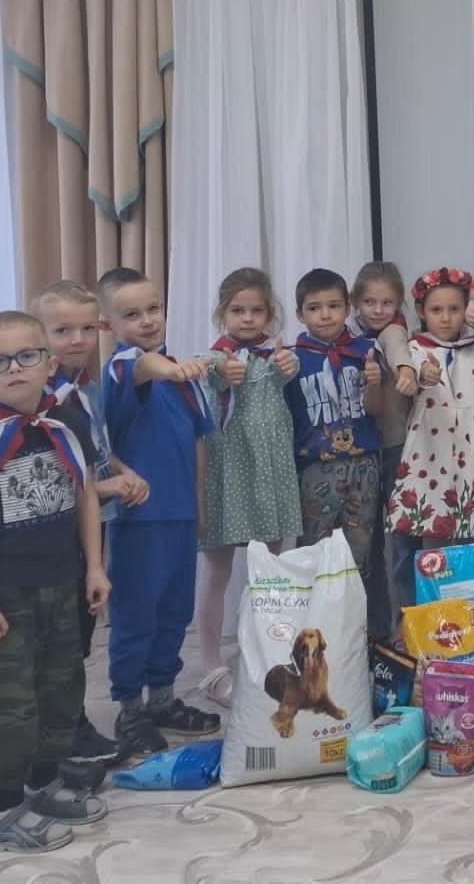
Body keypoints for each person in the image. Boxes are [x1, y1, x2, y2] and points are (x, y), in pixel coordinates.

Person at [0, 311, 111, 851]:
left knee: (61, 691)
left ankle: (43, 782)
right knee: (11, 706)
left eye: (26, 356)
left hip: (64, 586)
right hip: (8, 597)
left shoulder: (67, 425)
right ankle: (2, 807)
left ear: (49, 363)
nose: (14, 368)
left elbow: (86, 497)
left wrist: (94, 567)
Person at [97, 268, 220, 756]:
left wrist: (200, 505)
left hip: (180, 514)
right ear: (108, 325)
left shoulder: (181, 379)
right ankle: (130, 710)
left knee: (174, 612)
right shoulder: (125, 366)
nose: (148, 320)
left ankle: (163, 700)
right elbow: (144, 366)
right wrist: (170, 369)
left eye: (154, 308)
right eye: (132, 314)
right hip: (139, 519)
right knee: (136, 615)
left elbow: (198, 443)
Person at [32, 281, 148, 762]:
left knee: (80, 631)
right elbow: (50, 482)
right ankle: (61, 729)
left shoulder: (89, 389)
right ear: (39, 335)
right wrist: (107, 488)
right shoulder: (42, 402)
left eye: (85, 328)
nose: (77, 339)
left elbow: (96, 452)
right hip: (59, 534)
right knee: (60, 637)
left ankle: (70, 721)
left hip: (93, 525)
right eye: (62, 331)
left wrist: (122, 471)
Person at [195, 268, 302, 706]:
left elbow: (290, 374)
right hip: (228, 472)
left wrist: (288, 366)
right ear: (222, 313)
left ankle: (265, 653)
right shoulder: (215, 359)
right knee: (217, 569)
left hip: (269, 471)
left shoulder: (277, 357)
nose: (248, 318)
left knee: (269, 570)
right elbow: (214, 375)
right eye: (238, 310)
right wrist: (223, 370)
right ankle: (210, 665)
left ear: (270, 314)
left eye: (257, 310)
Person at [285, 268, 386, 634]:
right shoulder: (292, 360)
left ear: (347, 309)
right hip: (316, 468)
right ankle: (312, 634)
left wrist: (374, 383)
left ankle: (353, 636)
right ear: (300, 314)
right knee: (314, 550)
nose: (325, 315)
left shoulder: (365, 351)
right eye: (314, 308)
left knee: (359, 552)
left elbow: (376, 410)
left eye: (333, 306)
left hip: (363, 465)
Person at [389, 267, 474, 551]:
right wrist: (425, 374)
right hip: (429, 446)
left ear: (466, 310)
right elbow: (417, 373)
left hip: (473, 446)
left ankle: (471, 580)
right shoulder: (416, 348)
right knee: (433, 528)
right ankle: (435, 579)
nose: (446, 317)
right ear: (422, 312)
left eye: (454, 309)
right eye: (436, 310)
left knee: (472, 530)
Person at [348, 261, 419, 625]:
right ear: (355, 302)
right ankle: (373, 627)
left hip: (395, 448)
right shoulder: (344, 337)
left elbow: (399, 350)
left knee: (403, 538)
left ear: (399, 303)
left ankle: (409, 622)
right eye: (369, 302)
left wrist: (406, 371)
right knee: (367, 541)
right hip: (357, 451)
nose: (378, 310)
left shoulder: (396, 331)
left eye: (387, 302)